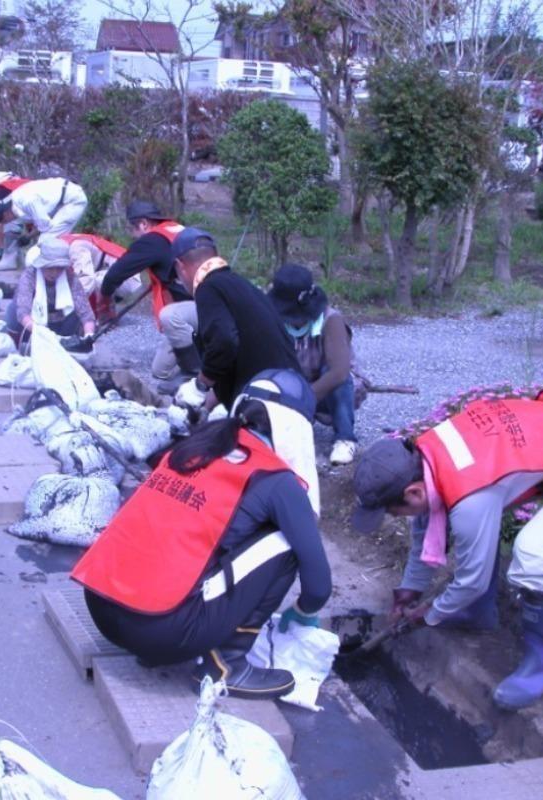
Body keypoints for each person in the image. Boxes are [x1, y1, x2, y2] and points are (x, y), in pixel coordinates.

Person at [350, 368, 543, 710]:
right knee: (478, 536)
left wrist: (429, 614)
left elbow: (471, 579)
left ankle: (541, 663)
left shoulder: (469, 499)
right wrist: (409, 588)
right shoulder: (425, 457)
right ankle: (478, 614)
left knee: (533, 557)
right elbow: (427, 525)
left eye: (392, 512)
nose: (395, 518)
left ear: (412, 491)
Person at [73, 369, 330, 699]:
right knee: (288, 544)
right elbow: (319, 584)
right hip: (160, 632)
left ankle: (159, 638)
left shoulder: (200, 443)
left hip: (101, 607)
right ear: (297, 429)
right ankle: (227, 665)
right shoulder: (277, 479)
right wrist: (304, 611)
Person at [170, 228, 300, 412]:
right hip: (293, 395)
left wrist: (199, 386)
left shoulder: (208, 288)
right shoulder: (242, 285)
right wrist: (209, 402)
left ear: (180, 266)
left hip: (267, 406)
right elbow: (245, 351)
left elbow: (224, 342)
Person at [268, 264, 360, 466]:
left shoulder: (330, 320)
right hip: (296, 387)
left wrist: (302, 399)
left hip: (327, 391)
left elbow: (339, 372)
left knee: (340, 379)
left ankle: (345, 438)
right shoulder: (274, 320)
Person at [98, 201, 195, 387]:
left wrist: (103, 302)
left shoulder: (152, 240)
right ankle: (198, 355)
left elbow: (115, 274)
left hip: (194, 308)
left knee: (162, 370)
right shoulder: (177, 230)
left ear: (143, 224)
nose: (133, 236)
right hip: (203, 300)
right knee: (160, 370)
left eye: (132, 229)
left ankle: (197, 373)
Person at [5, 237, 97, 343]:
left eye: (59, 268)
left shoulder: (70, 277)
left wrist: (89, 335)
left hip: (59, 323)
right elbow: (23, 312)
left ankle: (66, 342)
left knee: (76, 313)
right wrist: (42, 334)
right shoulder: (29, 275)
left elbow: (85, 312)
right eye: (50, 268)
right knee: (14, 308)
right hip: (32, 324)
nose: (54, 273)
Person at [0, 176, 88, 255]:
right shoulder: (16, 205)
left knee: (46, 242)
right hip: (64, 201)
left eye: (3, 221)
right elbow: (43, 222)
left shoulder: (25, 201)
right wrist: (28, 237)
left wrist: (29, 237)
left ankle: (59, 270)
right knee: (50, 241)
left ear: (5, 215)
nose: (6, 223)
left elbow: (46, 225)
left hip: (73, 200)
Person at [61, 232, 140, 311]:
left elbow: (86, 280)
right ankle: (105, 314)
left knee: (84, 284)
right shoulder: (68, 241)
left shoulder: (76, 247)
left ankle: (94, 316)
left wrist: (69, 306)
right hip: (119, 276)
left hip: (128, 278)